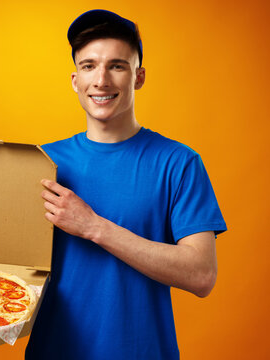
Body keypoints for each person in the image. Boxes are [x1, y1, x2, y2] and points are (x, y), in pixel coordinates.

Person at [25, 9, 227, 360]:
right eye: (88, 66)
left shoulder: (178, 163)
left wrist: (93, 227)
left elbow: (201, 275)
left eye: (116, 66)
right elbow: (7, 266)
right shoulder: (42, 162)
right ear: (75, 80)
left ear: (139, 77)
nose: (101, 80)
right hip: (52, 350)